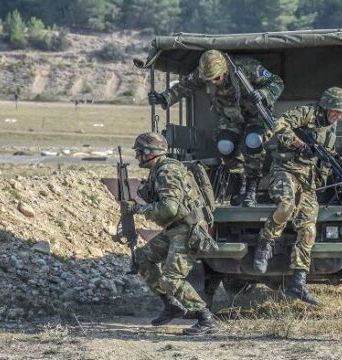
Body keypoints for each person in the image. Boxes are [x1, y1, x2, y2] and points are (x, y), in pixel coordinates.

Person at [252, 87, 342, 305]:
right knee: (286, 205)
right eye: (335, 111)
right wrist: (299, 144)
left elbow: (324, 152)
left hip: (307, 182)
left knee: (308, 228)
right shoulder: (306, 113)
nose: (338, 116)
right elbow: (278, 124)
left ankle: (298, 283)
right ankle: (265, 243)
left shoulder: (330, 130)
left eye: (341, 113)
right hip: (285, 171)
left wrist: (339, 156)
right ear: (326, 107)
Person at [148, 49, 284, 207]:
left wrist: (263, 93)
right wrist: (164, 97)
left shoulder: (247, 68)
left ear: (224, 70)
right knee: (224, 146)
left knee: (253, 141)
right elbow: (186, 85)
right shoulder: (203, 72)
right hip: (231, 116)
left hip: (257, 115)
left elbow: (277, 82)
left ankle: (251, 188)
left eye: (217, 78)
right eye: (209, 80)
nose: (213, 82)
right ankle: (240, 180)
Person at [121, 132, 218, 335]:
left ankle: (205, 317)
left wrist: (138, 209)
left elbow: (169, 209)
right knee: (141, 258)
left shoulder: (167, 172)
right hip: (176, 229)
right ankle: (171, 305)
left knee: (172, 278)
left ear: (150, 153)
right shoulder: (158, 170)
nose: (137, 157)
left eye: (139, 152)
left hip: (187, 230)